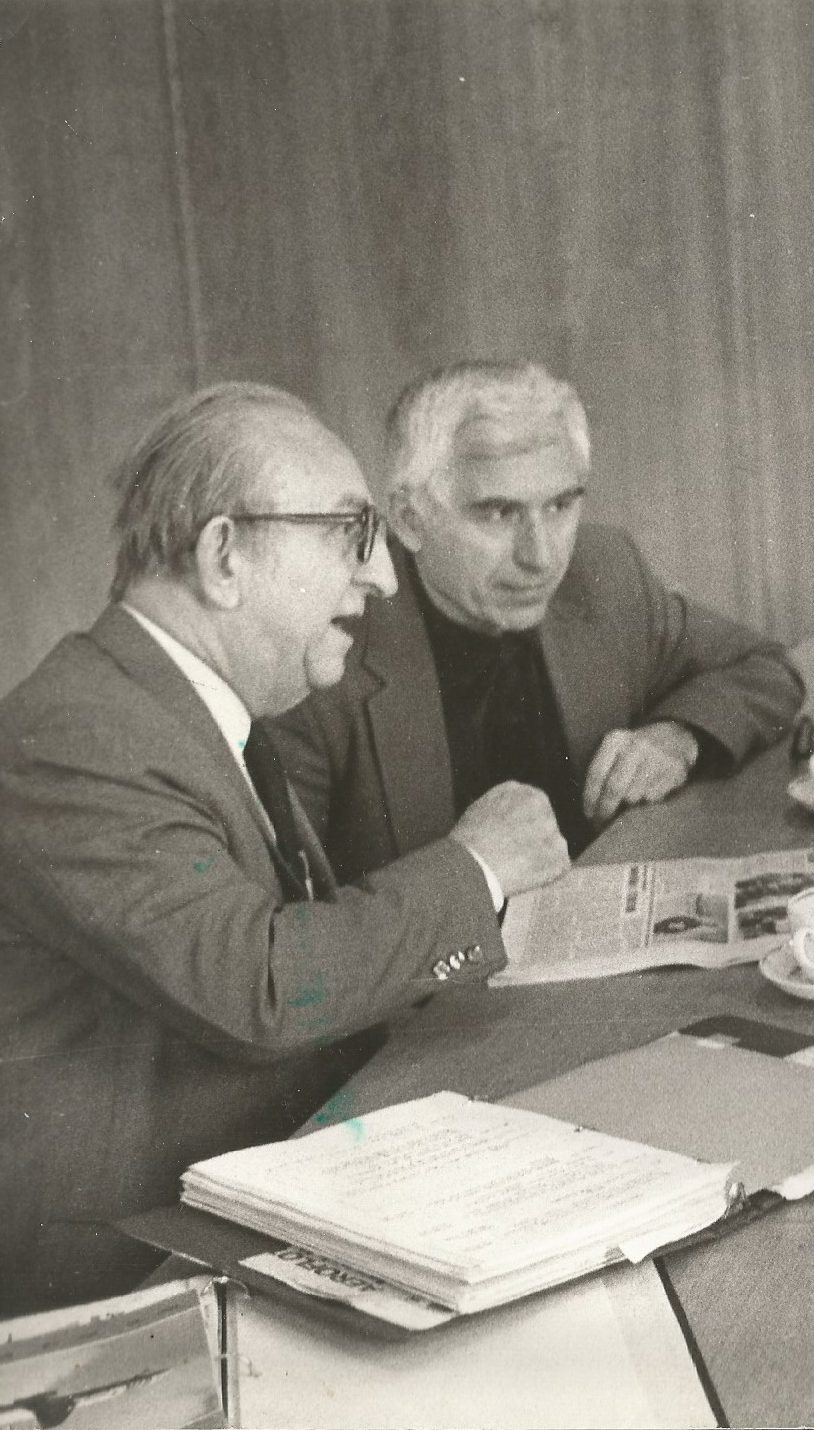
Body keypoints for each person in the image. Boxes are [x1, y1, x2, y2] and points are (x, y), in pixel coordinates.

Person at [0, 384, 570, 1314]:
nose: (383, 578)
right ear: (224, 556)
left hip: (241, 1194)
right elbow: (260, 986)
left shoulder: (181, 706)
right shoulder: (78, 736)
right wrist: (477, 865)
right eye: (349, 532)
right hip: (123, 1274)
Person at [271, 361, 803, 883]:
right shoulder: (324, 651)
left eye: (560, 505)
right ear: (411, 521)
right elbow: (291, 917)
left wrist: (677, 738)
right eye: (499, 513)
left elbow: (764, 668)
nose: (542, 557)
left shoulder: (603, 572)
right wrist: (471, 872)